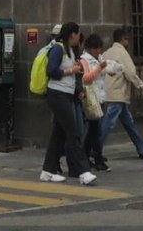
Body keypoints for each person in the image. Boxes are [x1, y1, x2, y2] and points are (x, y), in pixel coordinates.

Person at [39, 21, 96, 186]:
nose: (79, 37)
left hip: (66, 94)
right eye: (78, 34)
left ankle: (47, 171)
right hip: (57, 95)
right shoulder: (58, 49)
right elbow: (52, 71)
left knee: (59, 134)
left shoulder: (71, 50)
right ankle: (84, 171)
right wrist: (71, 71)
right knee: (73, 131)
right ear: (72, 34)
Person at [100, 27, 143, 159]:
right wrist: (140, 84)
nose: (128, 42)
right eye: (127, 39)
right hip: (118, 92)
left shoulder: (107, 52)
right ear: (123, 39)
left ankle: (141, 146)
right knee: (109, 122)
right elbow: (130, 72)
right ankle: (95, 148)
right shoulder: (122, 53)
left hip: (110, 91)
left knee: (128, 121)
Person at [80, 33, 113, 172]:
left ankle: (86, 156)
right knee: (96, 131)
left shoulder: (98, 58)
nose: (99, 51)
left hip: (100, 97)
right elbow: (87, 78)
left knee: (93, 131)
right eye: (96, 48)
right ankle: (98, 159)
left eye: (100, 48)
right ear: (90, 48)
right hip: (91, 99)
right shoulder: (84, 60)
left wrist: (109, 69)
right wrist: (100, 67)